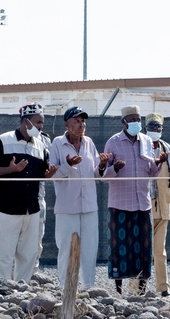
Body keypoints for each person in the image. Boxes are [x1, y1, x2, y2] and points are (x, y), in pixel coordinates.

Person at [0, 103, 58, 282]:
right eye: (38, 122)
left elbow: (40, 173)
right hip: (7, 209)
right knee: (4, 255)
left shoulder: (40, 145)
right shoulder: (3, 140)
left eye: (42, 123)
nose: (41, 126)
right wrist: (10, 170)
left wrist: (47, 175)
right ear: (26, 121)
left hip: (31, 209)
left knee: (28, 255)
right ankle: (0, 291)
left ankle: (22, 290)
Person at [103, 105, 166, 295]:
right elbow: (104, 175)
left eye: (138, 119)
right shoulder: (113, 142)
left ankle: (140, 290)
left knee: (143, 248)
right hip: (120, 204)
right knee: (120, 247)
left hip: (142, 203)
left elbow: (152, 172)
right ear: (123, 122)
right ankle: (119, 291)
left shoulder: (146, 141)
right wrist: (116, 168)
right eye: (131, 119)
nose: (136, 123)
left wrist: (160, 161)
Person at [48, 107, 110, 289]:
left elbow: (97, 175)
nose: (81, 124)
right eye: (76, 121)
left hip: (89, 207)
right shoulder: (57, 143)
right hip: (67, 207)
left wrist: (102, 166)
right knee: (66, 249)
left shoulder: (89, 143)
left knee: (89, 251)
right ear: (66, 124)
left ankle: (87, 289)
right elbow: (53, 175)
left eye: (83, 121)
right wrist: (67, 164)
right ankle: (65, 288)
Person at [146, 113, 170, 297]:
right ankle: (137, 289)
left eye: (158, 127)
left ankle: (163, 288)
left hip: (163, 206)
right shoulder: (140, 147)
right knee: (141, 249)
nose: (155, 130)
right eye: (151, 126)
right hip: (143, 207)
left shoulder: (167, 148)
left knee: (160, 251)